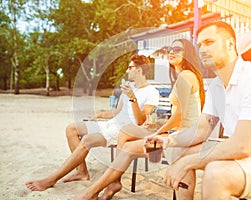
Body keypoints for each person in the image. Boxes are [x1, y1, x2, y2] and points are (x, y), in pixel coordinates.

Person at [148, 21, 251, 199]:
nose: (202, 49)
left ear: (230, 44)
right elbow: (202, 130)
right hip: (249, 161)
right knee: (180, 150)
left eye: (209, 42)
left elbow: (242, 146)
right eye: (200, 45)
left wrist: (187, 162)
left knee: (216, 173)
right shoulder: (217, 86)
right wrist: (168, 139)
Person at [72, 38, 206, 200]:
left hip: (182, 138)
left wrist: (158, 131)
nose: (172, 52)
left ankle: (95, 190)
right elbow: (180, 115)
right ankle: (109, 184)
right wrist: (159, 125)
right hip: (177, 133)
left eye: (177, 49)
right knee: (126, 133)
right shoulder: (183, 76)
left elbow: (180, 116)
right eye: (171, 49)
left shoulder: (186, 75)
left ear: (188, 54)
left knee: (128, 146)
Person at [25, 54, 160, 191]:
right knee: (71, 128)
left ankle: (51, 180)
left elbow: (141, 120)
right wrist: (99, 115)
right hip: (111, 124)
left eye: (130, 67)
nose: (126, 71)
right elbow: (117, 112)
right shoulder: (129, 87)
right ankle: (82, 172)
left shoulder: (152, 92)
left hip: (125, 130)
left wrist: (133, 98)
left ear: (139, 70)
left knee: (87, 140)